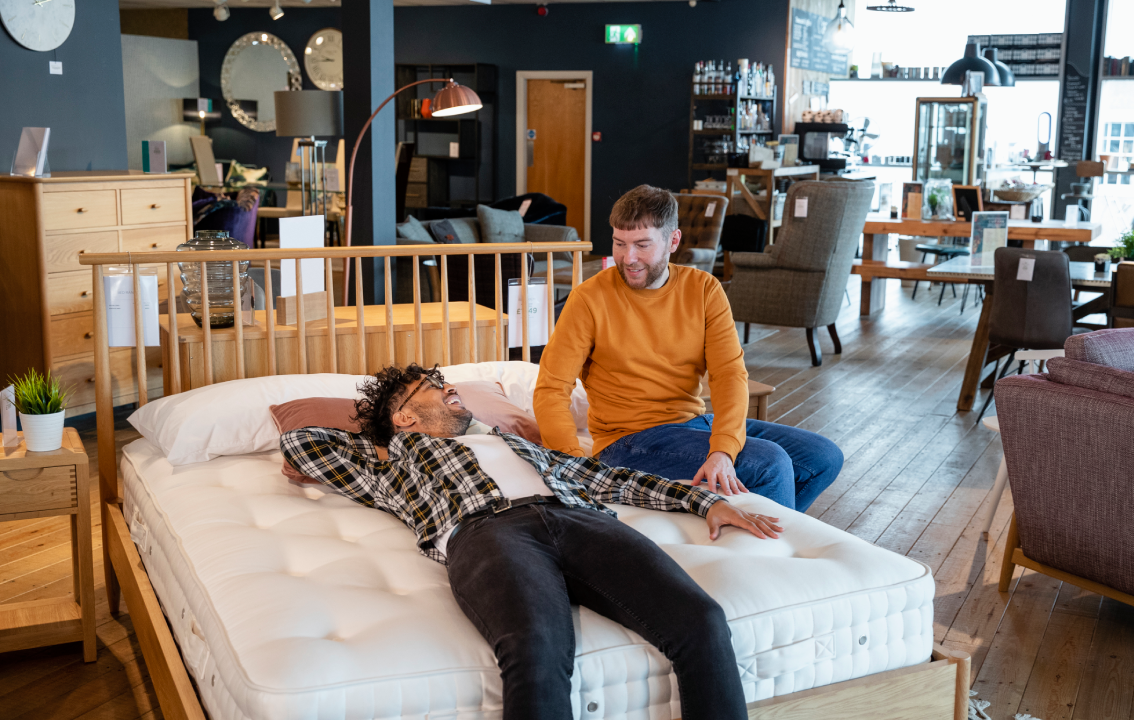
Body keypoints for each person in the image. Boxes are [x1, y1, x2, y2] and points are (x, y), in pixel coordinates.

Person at [280, 363, 783, 720]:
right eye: (433, 387)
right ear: (405, 417)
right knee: (536, 647)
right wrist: (382, 439)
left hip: (578, 519)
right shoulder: (391, 465)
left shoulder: (511, 440)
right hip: (485, 533)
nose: (449, 388)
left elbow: (604, 477)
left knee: (702, 620)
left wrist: (703, 502)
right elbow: (302, 442)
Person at [533, 184, 843, 512]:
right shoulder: (589, 298)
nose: (629, 258)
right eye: (619, 244)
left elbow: (729, 375)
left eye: (642, 245)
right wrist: (575, 462)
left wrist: (722, 450)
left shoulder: (704, 289)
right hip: (628, 441)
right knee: (770, 463)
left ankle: (759, 536)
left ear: (673, 241)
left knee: (823, 457)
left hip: (693, 424)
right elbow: (551, 389)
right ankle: (771, 555)